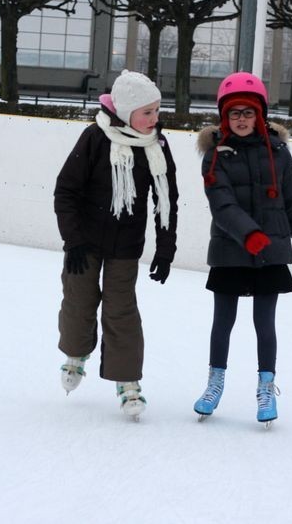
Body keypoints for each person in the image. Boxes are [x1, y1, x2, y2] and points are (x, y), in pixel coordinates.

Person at [193, 72, 292, 427]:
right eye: (235, 113)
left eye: (249, 113)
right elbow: (221, 203)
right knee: (224, 321)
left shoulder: (279, 153)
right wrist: (247, 235)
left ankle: (266, 387)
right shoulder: (215, 157)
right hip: (231, 249)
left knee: (265, 323)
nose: (243, 119)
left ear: (260, 115)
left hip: (271, 249)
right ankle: (214, 383)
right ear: (224, 117)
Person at [54, 70, 179, 420]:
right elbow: (66, 191)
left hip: (125, 245)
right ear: (125, 112)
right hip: (85, 241)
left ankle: (127, 383)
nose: (155, 119)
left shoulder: (157, 145)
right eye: (147, 112)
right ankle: (76, 356)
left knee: (121, 310)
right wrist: (73, 240)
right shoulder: (95, 138)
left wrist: (165, 249)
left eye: (157, 111)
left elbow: (167, 200)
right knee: (79, 298)